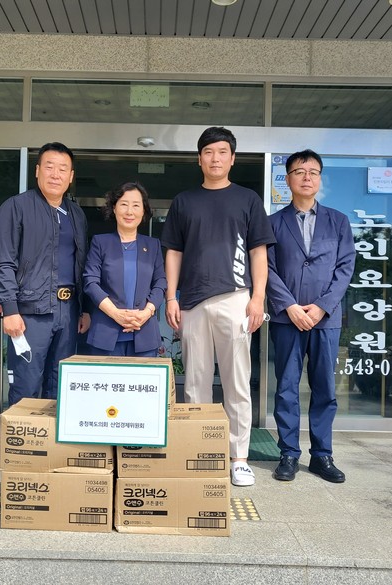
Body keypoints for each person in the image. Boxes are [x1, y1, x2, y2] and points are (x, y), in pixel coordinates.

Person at [162, 127, 276, 487]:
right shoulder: (184, 201)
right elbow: (173, 252)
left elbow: (259, 252)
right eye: (209, 152)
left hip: (235, 298)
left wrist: (258, 298)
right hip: (193, 301)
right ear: (199, 159)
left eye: (222, 152)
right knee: (194, 382)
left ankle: (238, 457)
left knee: (236, 382)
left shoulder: (247, 199)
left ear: (232, 158)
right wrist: (171, 296)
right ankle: (199, 451)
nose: (215, 158)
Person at [266, 149, 355, 483]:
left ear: (320, 179)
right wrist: (289, 306)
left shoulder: (338, 221)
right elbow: (267, 269)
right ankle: (289, 453)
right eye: (300, 172)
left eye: (313, 172)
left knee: (324, 388)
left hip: (325, 319)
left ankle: (322, 455)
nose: (307, 177)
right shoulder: (273, 223)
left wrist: (321, 306)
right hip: (286, 318)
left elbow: (345, 267)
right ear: (288, 179)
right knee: (286, 388)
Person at [0, 142, 90, 404]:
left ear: (71, 176)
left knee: (61, 385)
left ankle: (52, 434)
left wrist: (85, 309)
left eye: (63, 169)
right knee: (26, 385)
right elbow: (4, 262)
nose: (55, 174)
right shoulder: (16, 207)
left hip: (69, 311)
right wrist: (10, 310)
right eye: (49, 167)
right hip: (30, 312)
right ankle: (20, 432)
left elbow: (81, 265)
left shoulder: (76, 214)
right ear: (37, 171)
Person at [84, 181, 166, 357]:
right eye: (124, 204)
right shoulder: (100, 242)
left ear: (143, 211)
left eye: (136, 205)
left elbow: (160, 282)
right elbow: (90, 282)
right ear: (114, 208)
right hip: (105, 334)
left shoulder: (153, 245)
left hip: (144, 334)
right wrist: (116, 314)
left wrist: (146, 313)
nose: (129, 212)